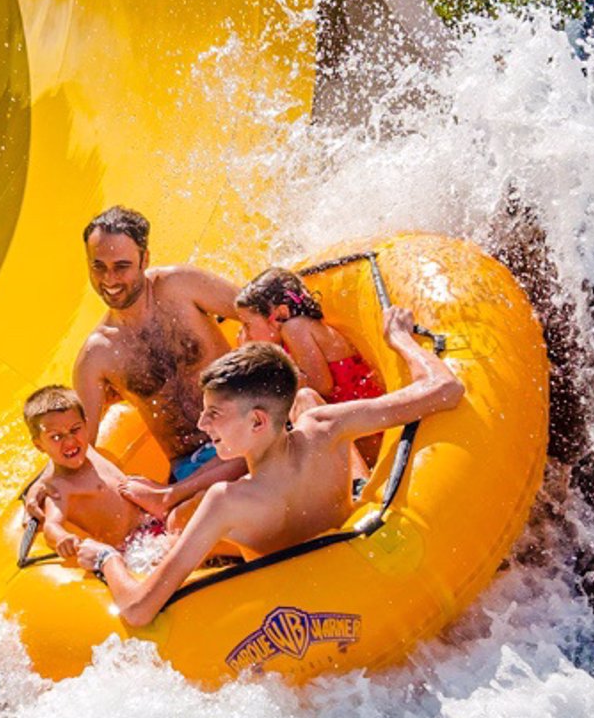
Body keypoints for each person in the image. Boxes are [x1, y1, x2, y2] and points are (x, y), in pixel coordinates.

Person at [75, 307, 463, 628]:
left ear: (258, 422)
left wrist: (107, 560)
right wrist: (400, 339)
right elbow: (446, 390)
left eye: (214, 415)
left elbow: (139, 609)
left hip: (287, 605)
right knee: (308, 400)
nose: (202, 426)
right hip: (350, 560)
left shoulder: (226, 501)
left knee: (177, 524)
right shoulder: (327, 428)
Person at [69, 205, 247, 515]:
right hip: (194, 466)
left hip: (246, 429)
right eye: (98, 266)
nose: (109, 279)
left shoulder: (181, 285)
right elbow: (79, 445)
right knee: (188, 518)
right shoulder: (96, 356)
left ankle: (170, 497)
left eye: (121, 266)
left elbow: (258, 314)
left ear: (145, 259)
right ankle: (174, 500)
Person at [234, 265, 386, 464]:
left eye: (248, 324)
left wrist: (268, 359)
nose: (245, 333)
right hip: (355, 427)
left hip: (372, 431)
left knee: (297, 403)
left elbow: (321, 386)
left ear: (280, 313)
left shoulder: (295, 328)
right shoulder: (289, 338)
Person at [21, 384, 151, 561]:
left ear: (86, 424)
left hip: (150, 526)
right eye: (56, 437)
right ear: (39, 446)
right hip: (132, 549)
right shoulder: (59, 486)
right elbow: (52, 524)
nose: (70, 441)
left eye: (75, 429)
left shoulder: (88, 449)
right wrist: (62, 538)